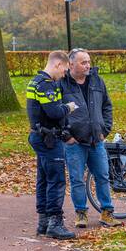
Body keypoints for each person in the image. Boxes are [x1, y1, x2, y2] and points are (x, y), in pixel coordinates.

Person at [59, 48, 123, 229]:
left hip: (96, 140)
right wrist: (67, 136)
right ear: (71, 64)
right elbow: (56, 112)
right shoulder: (62, 84)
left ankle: (107, 213)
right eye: (83, 62)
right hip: (74, 143)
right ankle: (81, 214)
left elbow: (107, 106)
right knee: (77, 179)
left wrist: (105, 129)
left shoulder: (96, 80)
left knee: (103, 176)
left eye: (88, 61)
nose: (88, 65)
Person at [26, 51, 79, 240]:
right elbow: (54, 112)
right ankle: (55, 223)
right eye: (65, 69)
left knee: (43, 179)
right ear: (58, 65)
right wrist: (69, 107)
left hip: (40, 136)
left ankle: (44, 222)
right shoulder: (46, 85)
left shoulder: (36, 81)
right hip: (48, 139)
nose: (65, 73)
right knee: (56, 180)